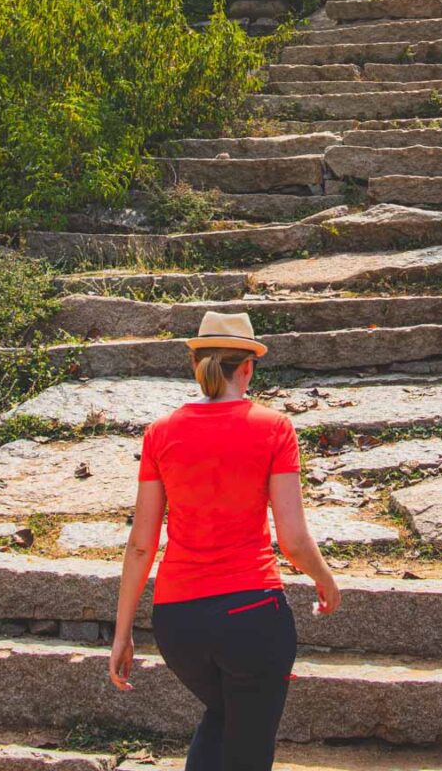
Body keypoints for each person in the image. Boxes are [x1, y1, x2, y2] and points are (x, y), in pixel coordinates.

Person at [108, 309, 342, 771]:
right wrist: (326, 580)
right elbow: (292, 540)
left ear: (199, 366)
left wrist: (122, 633)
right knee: (248, 749)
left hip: (178, 624)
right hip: (251, 616)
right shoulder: (273, 427)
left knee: (224, 718)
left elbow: (141, 544)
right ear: (248, 367)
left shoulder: (160, 433)